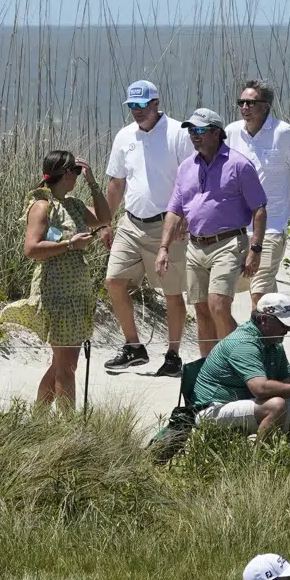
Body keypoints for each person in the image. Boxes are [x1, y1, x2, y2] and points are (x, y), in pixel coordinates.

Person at [0, 151, 109, 408]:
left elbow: (104, 217)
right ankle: (68, 428)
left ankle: (39, 418)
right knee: (66, 366)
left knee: (62, 363)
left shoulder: (74, 204)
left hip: (77, 293)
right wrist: (70, 244)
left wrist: (93, 183)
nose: (79, 178)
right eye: (78, 173)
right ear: (66, 174)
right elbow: (31, 249)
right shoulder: (41, 206)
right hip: (56, 292)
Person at [157, 108, 267, 356]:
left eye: (200, 130)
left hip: (229, 243)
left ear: (216, 133)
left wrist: (255, 249)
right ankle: (210, 369)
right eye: (191, 130)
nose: (193, 135)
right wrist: (163, 247)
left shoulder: (239, 165)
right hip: (195, 246)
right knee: (201, 309)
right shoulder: (186, 167)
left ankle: (244, 359)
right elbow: (175, 210)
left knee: (218, 305)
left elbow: (259, 209)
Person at [102, 80, 193, 376]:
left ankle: (173, 354)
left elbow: (193, 178)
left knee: (172, 293)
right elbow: (116, 182)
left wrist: (186, 217)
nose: (137, 111)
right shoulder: (124, 135)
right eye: (132, 106)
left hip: (168, 225)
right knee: (114, 281)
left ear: (156, 103)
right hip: (130, 222)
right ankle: (133, 347)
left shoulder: (179, 133)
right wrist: (106, 221)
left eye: (143, 105)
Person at [226, 80, 290, 309]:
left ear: (265, 106)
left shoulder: (284, 133)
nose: (245, 107)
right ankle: (275, 334)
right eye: (242, 102)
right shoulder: (231, 132)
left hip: (272, 227)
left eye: (251, 102)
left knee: (259, 293)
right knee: (230, 291)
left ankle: (256, 343)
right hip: (237, 228)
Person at [192, 294, 290, 444]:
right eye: (283, 324)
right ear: (264, 319)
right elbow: (260, 389)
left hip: (241, 405)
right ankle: (261, 465)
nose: (288, 329)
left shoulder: (273, 342)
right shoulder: (244, 343)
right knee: (275, 405)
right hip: (212, 409)